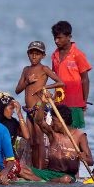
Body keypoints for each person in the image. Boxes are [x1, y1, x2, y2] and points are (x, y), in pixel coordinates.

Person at [14, 40, 65, 168]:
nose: (34, 56)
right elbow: (17, 90)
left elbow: (60, 82)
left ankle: (40, 169)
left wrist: (44, 87)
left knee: (39, 140)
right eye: (32, 53)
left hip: (39, 108)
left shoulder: (44, 69)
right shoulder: (26, 70)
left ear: (43, 56)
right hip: (28, 110)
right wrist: (27, 81)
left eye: (37, 54)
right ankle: (34, 168)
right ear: (28, 54)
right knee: (31, 141)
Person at [34, 105, 93, 183]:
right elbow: (39, 121)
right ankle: (49, 180)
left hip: (68, 176)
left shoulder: (80, 136)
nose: (51, 123)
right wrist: (43, 102)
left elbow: (91, 162)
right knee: (21, 168)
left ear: (62, 121)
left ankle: (43, 181)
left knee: (66, 179)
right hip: (49, 173)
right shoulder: (52, 133)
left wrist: (83, 158)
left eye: (53, 120)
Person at [0, 92, 42, 181]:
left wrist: (19, 114)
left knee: (28, 171)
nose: (13, 111)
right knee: (25, 173)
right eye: (11, 108)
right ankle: (44, 185)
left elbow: (26, 136)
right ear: (2, 107)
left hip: (11, 159)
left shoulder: (13, 122)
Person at [51, 21, 92, 129]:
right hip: (59, 101)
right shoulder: (54, 56)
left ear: (69, 37)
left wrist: (84, 102)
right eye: (55, 37)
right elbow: (56, 77)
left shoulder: (78, 55)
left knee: (74, 131)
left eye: (59, 38)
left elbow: (85, 80)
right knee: (58, 130)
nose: (56, 41)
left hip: (75, 102)